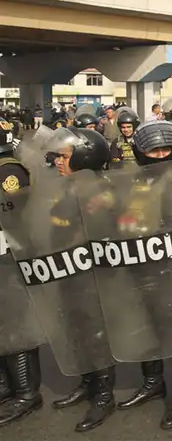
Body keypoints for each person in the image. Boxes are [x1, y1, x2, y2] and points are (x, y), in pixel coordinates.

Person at [110, 120, 172, 429]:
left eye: (166, 149)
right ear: (141, 152)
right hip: (142, 266)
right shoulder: (131, 181)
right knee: (147, 326)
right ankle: (152, 383)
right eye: (154, 150)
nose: (161, 155)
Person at [45, 127, 118, 432]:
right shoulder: (65, 186)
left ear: (84, 156)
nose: (58, 162)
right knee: (77, 329)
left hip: (93, 276)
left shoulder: (101, 192)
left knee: (95, 335)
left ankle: (103, 395)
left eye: (63, 157)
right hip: (68, 271)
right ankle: (88, 383)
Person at [0, 118, 41, 428]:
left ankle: (27, 393)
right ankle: (5, 387)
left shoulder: (8, 171)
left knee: (15, 325)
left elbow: (17, 214)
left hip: (9, 255)